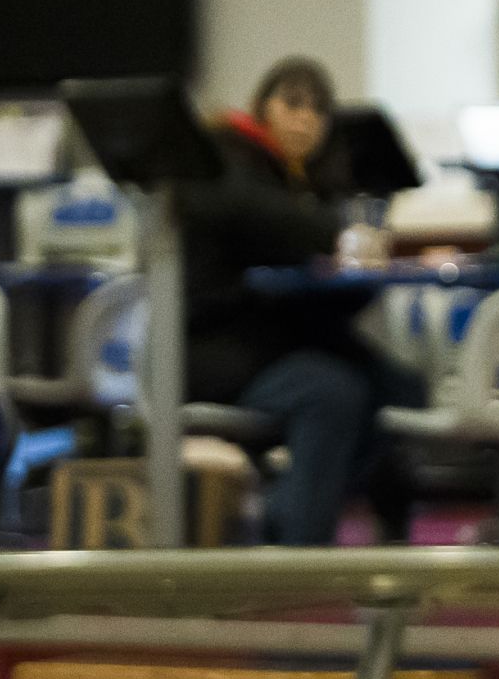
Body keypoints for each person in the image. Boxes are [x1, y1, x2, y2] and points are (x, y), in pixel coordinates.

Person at [181, 57, 426, 544]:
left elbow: (319, 288)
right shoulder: (226, 156)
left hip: (274, 339)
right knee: (333, 393)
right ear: (262, 107)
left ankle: (310, 510)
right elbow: (258, 214)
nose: (306, 120)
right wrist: (339, 235)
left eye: (318, 110)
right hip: (214, 349)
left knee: (400, 388)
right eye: (292, 104)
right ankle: (296, 543)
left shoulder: (303, 181)